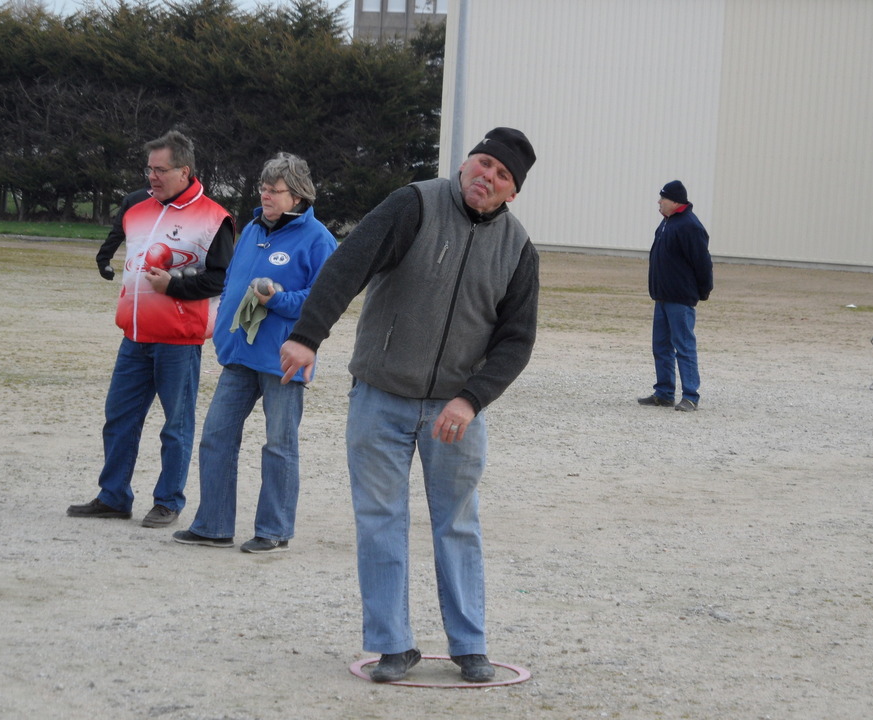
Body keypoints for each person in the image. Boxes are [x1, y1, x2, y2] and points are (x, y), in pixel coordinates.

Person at [279, 127, 538, 684]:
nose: (488, 177)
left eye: (502, 175)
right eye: (484, 163)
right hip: (380, 396)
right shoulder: (414, 204)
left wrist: (471, 400)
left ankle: (470, 645)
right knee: (380, 521)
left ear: (512, 192)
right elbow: (348, 265)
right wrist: (308, 335)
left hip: (455, 412)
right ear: (466, 162)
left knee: (458, 524)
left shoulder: (518, 250)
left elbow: (516, 341)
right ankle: (392, 644)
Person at [68, 130, 235, 527]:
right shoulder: (136, 207)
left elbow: (221, 279)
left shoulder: (215, 218)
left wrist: (173, 286)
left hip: (178, 341)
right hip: (134, 336)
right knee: (119, 418)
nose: (152, 176)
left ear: (184, 171)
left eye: (161, 170)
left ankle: (168, 501)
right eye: (149, 168)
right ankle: (113, 497)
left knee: (175, 426)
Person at [171, 153, 336, 553]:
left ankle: (273, 529)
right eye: (263, 187)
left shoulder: (319, 240)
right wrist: (224, 320)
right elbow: (231, 281)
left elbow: (325, 300)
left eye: (275, 190)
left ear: (297, 196)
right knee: (215, 437)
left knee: (279, 445)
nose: (266, 195)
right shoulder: (250, 230)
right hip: (240, 356)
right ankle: (213, 525)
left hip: (283, 358)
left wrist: (277, 299)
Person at [638, 180, 713, 412]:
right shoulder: (667, 223)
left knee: (684, 347)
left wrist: (703, 290)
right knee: (660, 347)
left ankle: (690, 396)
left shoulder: (689, 226)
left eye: (663, 199)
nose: (659, 202)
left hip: (680, 298)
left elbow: (702, 263)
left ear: (675, 201)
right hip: (662, 297)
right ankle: (664, 393)